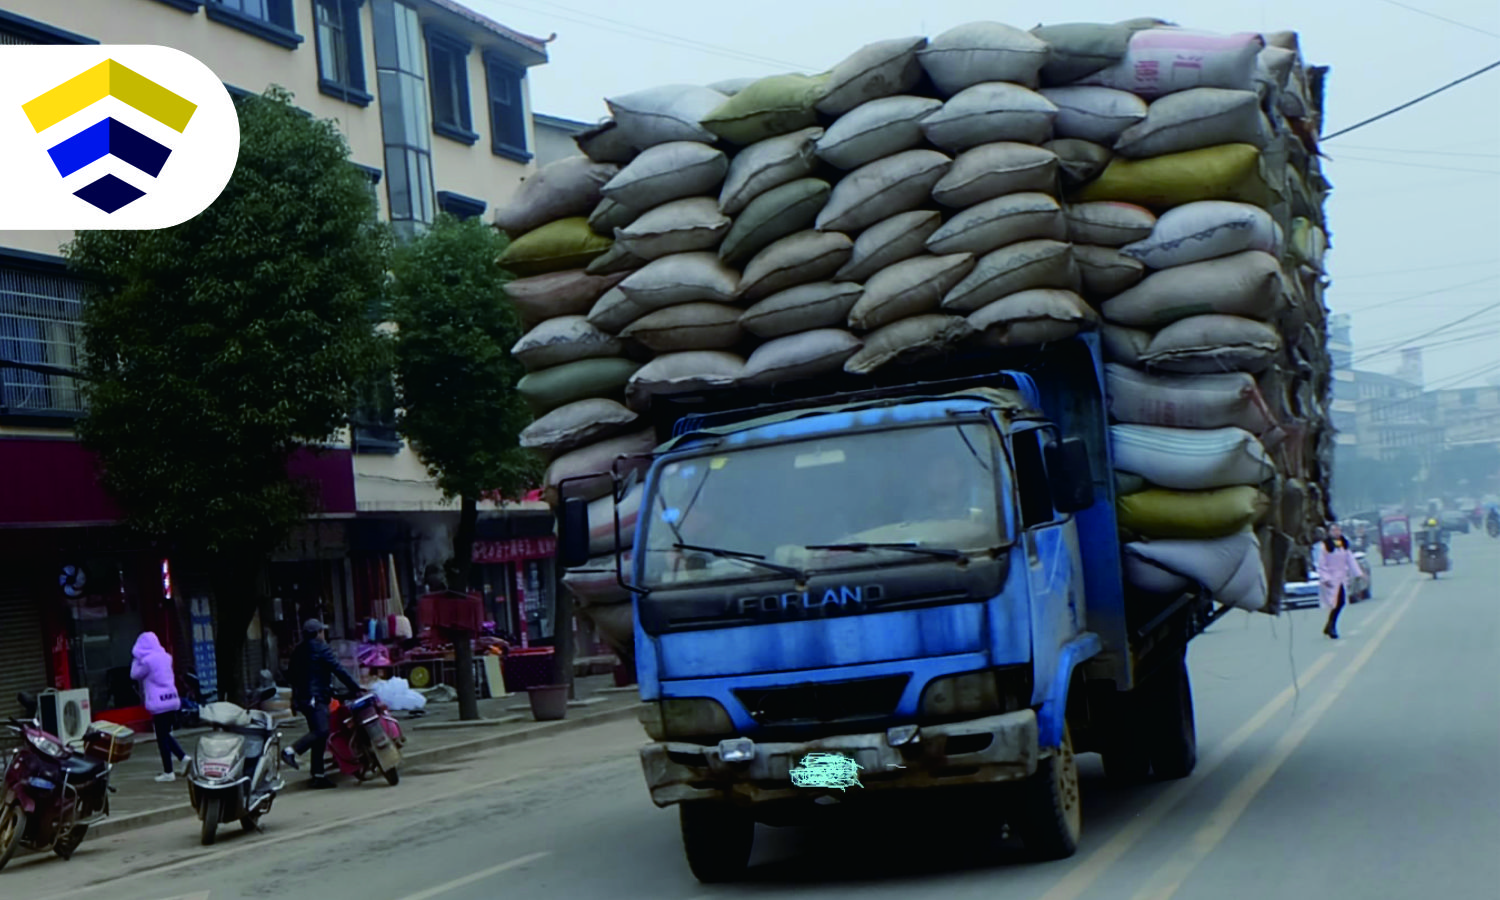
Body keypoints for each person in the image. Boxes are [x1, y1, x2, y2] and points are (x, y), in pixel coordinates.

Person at [282, 618, 361, 789]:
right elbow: (338, 669)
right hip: (315, 697)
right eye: (322, 631)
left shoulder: (298, 650)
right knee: (321, 730)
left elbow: (290, 676)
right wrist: (356, 688)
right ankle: (291, 751)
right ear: (318, 633)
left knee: (319, 735)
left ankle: (318, 775)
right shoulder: (320, 648)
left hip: (304, 698)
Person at [131, 631, 189, 782]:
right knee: (165, 734)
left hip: (159, 703)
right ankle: (183, 757)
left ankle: (168, 771)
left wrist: (137, 658)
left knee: (161, 737)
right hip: (172, 700)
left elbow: (134, 674)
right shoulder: (166, 657)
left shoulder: (147, 661)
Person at [1317, 523, 1364, 640]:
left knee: (1341, 602)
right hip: (1330, 579)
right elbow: (1321, 564)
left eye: (1338, 530)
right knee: (1333, 604)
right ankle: (1331, 627)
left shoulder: (1343, 544)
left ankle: (1330, 625)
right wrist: (1325, 578)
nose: (1336, 532)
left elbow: (1350, 560)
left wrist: (1358, 574)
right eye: (1334, 530)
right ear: (1329, 532)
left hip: (1341, 578)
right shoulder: (1324, 546)